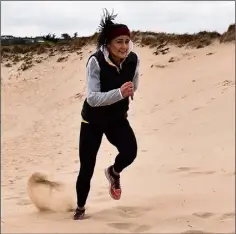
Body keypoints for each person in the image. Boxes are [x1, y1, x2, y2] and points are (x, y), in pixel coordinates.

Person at [74, 9, 140, 220]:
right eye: (119, 41)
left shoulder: (133, 60)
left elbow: (133, 85)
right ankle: (80, 208)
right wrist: (119, 93)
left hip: (116, 119)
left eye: (127, 41)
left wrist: (127, 92)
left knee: (130, 152)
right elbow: (92, 98)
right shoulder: (95, 61)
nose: (123, 46)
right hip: (92, 120)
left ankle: (114, 172)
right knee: (87, 167)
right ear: (108, 43)